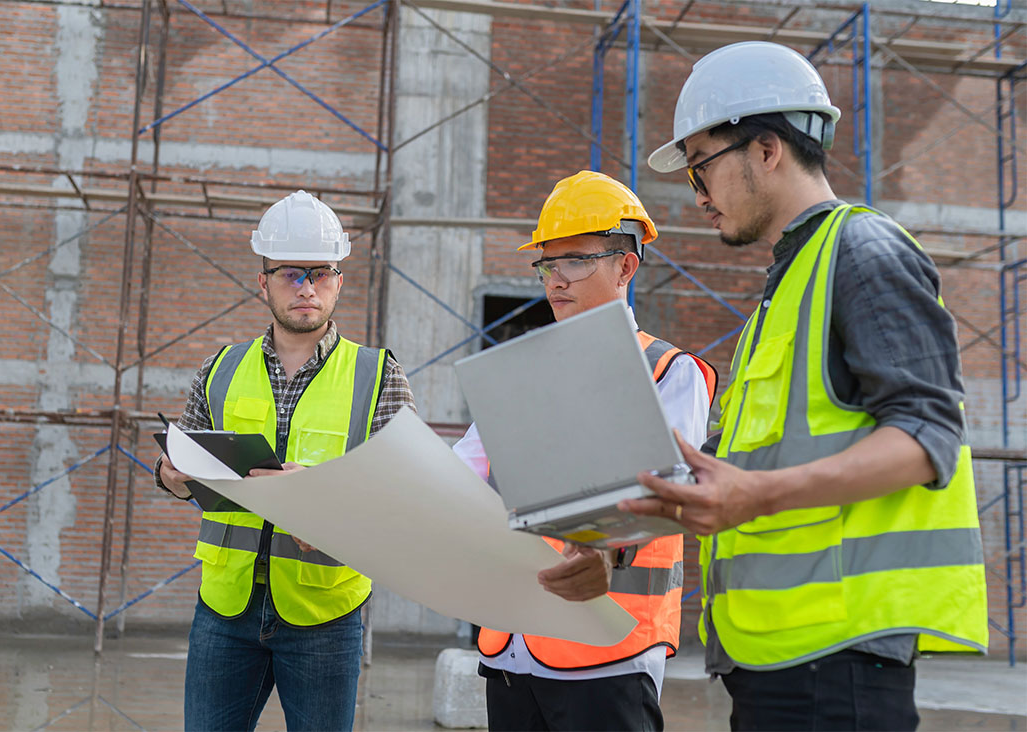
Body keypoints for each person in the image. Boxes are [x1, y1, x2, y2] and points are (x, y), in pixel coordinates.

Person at [628, 41, 988, 730]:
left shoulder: (862, 252)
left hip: (838, 667)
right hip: (777, 663)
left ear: (766, 150)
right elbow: (746, 475)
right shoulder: (789, 283)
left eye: (702, 167)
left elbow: (928, 437)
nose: (697, 195)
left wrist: (756, 494)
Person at [453, 170, 717, 732]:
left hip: (606, 645)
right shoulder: (520, 374)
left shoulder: (669, 373)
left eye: (576, 260)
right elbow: (461, 476)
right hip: (511, 643)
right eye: (548, 263)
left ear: (626, 265)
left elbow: (663, 498)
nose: (557, 279)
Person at [155, 190, 416, 732]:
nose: (306, 288)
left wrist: (324, 497)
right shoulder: (219, 369)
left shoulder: (378, 375)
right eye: (290, 273)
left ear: (339, 280)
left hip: (324, 612)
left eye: (320, 273)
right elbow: (187, 473)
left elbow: (408, 493)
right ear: (263, 282)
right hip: (226, 607)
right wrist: (173, 478)